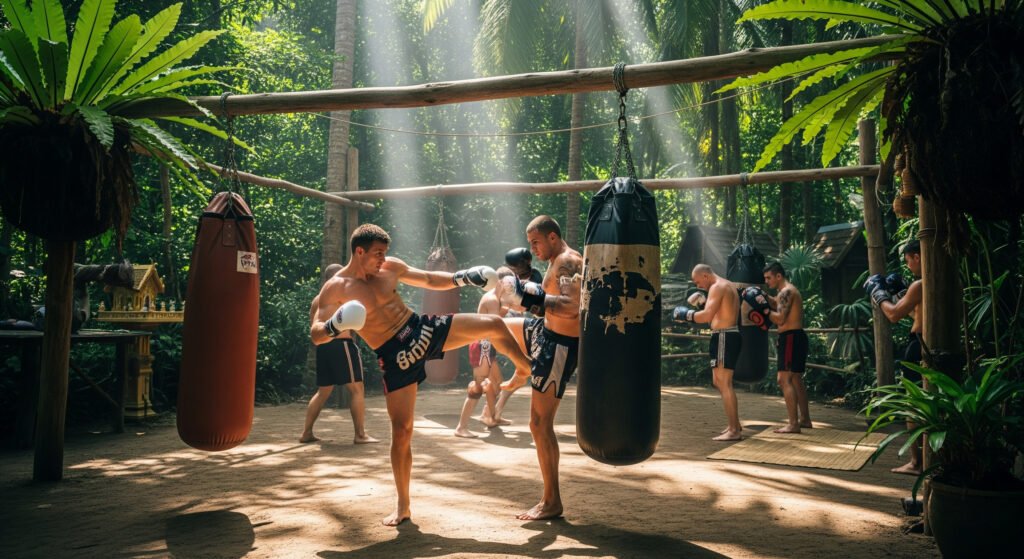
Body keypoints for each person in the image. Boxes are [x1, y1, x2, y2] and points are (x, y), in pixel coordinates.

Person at [310, 224, 532, 526]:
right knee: (402, 432)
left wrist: (462, 277)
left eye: (384, 253)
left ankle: (525, 368)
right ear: (359, 251)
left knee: (493, 324)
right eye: (377, 254)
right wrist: (333, 326)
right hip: (394, 356)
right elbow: (316, 334)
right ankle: (403, 506)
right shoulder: (335, 288)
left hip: (419, 329)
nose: (382, 259)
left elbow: (429, 278)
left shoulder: (390, 267)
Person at [497, 216, 582, 521]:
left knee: (538, 424)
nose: (532, 248)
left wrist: (528, 296)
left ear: (553, 237)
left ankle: (552, 501)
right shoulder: (556, 260)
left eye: (535, 242)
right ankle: (523, 367)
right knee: (497, 326)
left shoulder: (568, 262)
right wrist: (523, 296)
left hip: (558, 346)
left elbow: (572, 307)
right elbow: (547, 301)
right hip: (544, 332)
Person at [300, 264, 380, 445]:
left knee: (323, 391)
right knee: (357, 390)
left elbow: (315, 327)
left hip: (323, 347)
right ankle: (360, 435)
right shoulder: (340, 295)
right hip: (341, 345)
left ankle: (306, 432)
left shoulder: (317, 299)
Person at [864, 239, 923, 475]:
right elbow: (916, 313)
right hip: (931, 346)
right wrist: (899, 293)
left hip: (918, 345)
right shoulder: (943, 279)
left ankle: (917, 462)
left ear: (916, 256)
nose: (908, 266)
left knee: (913, 404)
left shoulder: (920, 284)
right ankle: (929, 458)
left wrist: (879, 295)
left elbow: (894, 314)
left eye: (908, 261)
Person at [673, 264, 744, 441]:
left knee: (724, 382)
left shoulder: (717, 287)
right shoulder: (726, 285)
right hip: (724, 336)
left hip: (724, 336)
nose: (698, 286)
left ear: (705, 276)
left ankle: (734, 430)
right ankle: (734, 424)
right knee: (718, 381)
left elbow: (705, 317)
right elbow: (715, 315)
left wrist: (684, 315)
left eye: (698, 282)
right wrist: (702, 304)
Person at [454, 267, 516, 438]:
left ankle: (489, 416)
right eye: (510, 284)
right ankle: (461, 427)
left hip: (486, 345)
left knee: (497, 383)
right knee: (478, 386)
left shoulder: (494, 299)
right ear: (502, 282)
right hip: (483, 346)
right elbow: (496, 327)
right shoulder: (492, 300)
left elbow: (494, 321)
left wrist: (507, 307)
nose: (512, 288)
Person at [763, 262, 812, 433]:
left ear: (778, 276)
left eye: (769, 278)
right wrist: (761, 297)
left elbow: (780, 318)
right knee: (796, 379)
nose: (767, 281)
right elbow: (775, 302)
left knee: (784, 379)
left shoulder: (786, 292)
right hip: (795, 337)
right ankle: (804, 419)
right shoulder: (784, 292)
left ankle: (793, 424)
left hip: (790, 338)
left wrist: (763, 311)